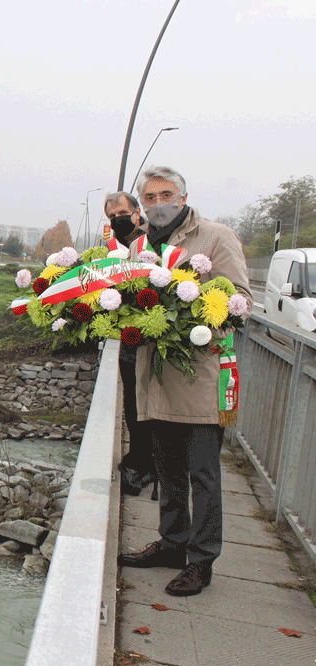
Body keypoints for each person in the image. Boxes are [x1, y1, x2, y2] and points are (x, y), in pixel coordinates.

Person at [116, 166, 252, 596]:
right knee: (167, 470)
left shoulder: (214, 237)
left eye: (167, 194)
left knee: (203, 476)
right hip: (153, 378)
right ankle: (172, 543)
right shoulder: (138, 246)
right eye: (151, 197)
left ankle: (201, 559)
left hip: (197, 379)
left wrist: (192, 314)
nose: (159, 203)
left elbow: (242, 300)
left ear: (184, 194)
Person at [102, 191, 157, 500]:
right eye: (112, 216)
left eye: (122, 212)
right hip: (126, 340)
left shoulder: (150, 243)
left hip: (148, 339)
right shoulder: (113, 248)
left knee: (147, 405)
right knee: (132, 406)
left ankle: (148, 464)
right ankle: (139, 460)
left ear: (137, 212)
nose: (118, 219)